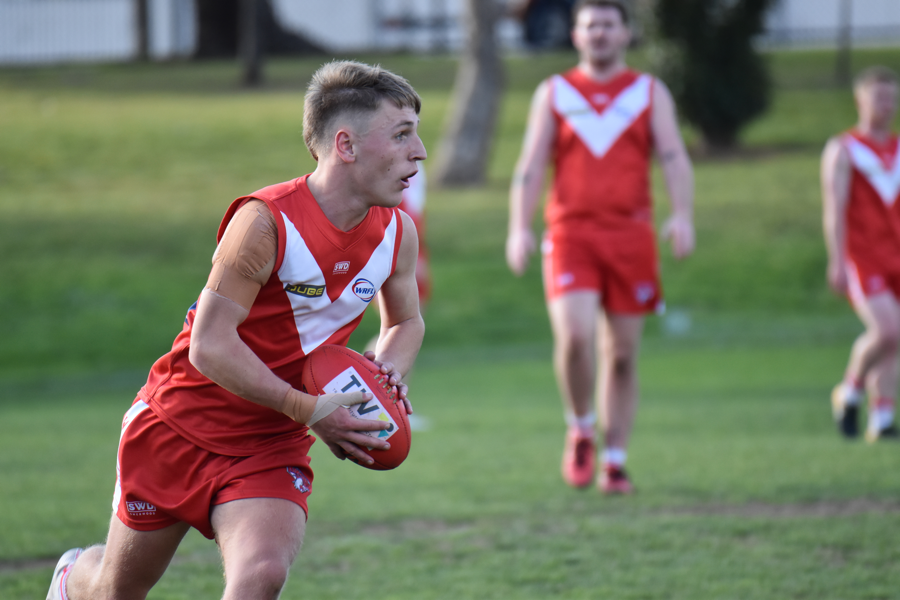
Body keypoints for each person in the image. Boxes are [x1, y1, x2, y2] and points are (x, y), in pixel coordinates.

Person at [47, 60, 427, 600]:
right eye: (402, 135)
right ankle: (72, 578)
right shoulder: (264, 222)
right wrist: (309, 407)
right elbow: (209, 345)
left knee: (261, 575)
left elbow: (406, 321)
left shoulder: (397, 233)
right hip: (178, 426)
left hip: (269, 442)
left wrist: (381, 375)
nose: (420, 152)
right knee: (114, 591)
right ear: (346, 145)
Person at [506, 0, 694, 494]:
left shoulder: (649, 92)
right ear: (576, 35)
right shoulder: (555, 93)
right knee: (575, 339)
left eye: (609, 25)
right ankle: (581, 428)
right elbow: (530, 165)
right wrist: (518, 227)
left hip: (631, 235)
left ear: (626, 34)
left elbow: (674, 156)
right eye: (590, 25)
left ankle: (615, 460)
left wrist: (682, 214)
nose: (600, 34)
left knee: (623, 355)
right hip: (570, 234)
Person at [822, 66, 900, 443]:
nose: (885, 105)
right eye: (878, 96)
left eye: (890, 97)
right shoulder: (844, 149)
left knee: (895, 338)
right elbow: (833, 207)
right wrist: (836, 258)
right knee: (888, 330)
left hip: (897, 253)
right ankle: (849, 390)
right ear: (860, 100)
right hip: (864, 255)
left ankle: (882, 418)